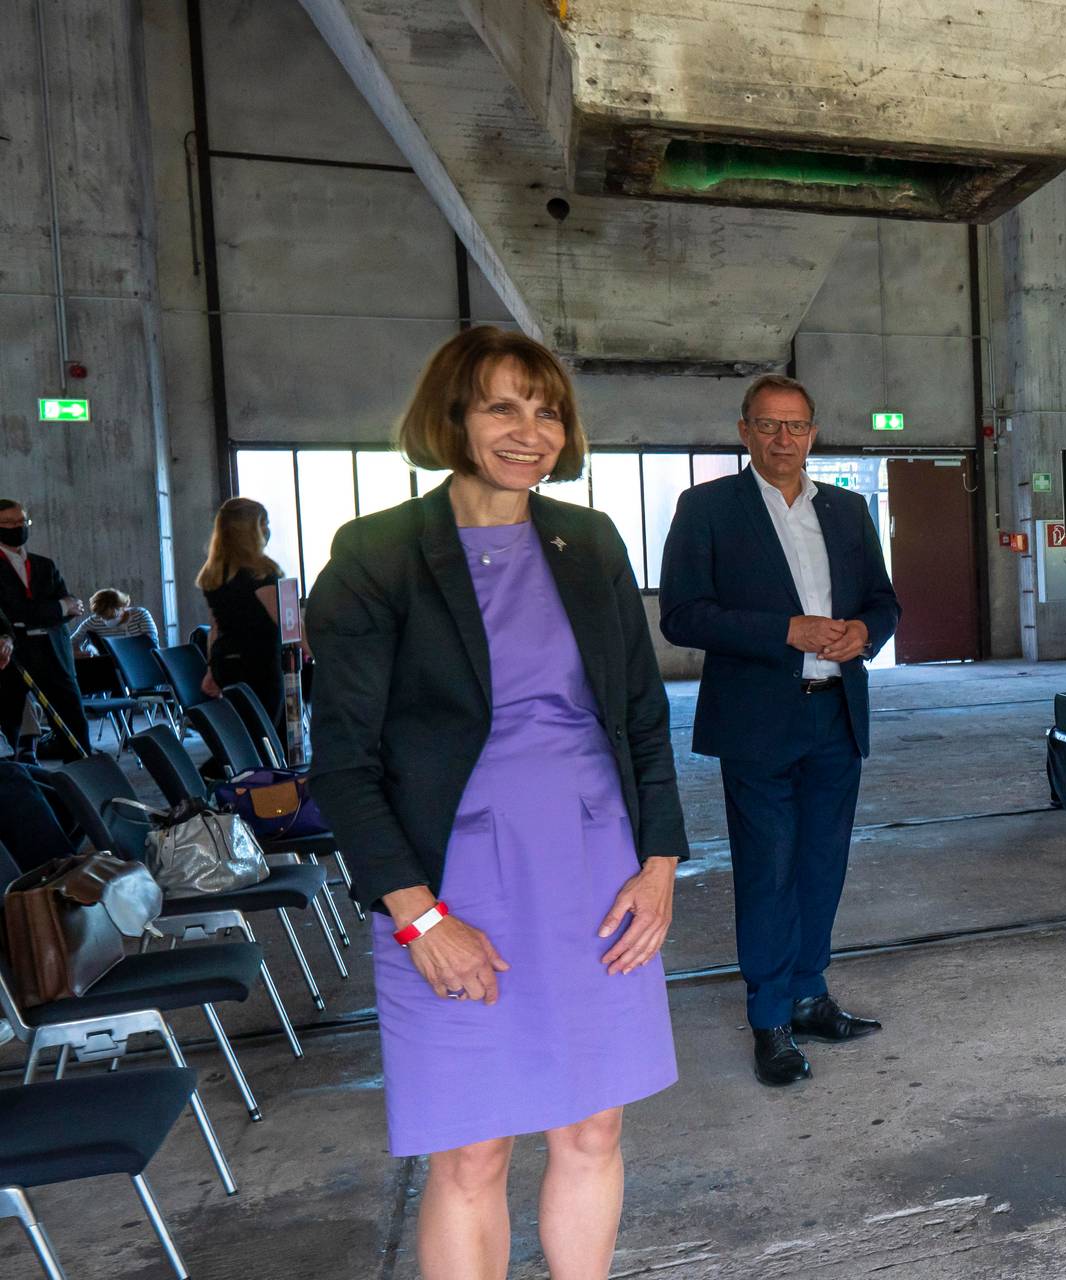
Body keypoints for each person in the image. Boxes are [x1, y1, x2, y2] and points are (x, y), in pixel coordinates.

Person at [304, 325, 683, 1280]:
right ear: (452, 418)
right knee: (474, 1148)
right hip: (453, 884)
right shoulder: (378, 552)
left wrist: (661, 867)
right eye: (502, 407)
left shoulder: (588, 542)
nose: (530, 430)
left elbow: (642, 720)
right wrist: (418, 917)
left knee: (593, 1127)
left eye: (547, 409)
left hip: (598, 872)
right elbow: (343, 762)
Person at [658, 373, 899, 1088]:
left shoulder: (851, 511)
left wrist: (865, 632)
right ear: (744, 432)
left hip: (836, 713)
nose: (783, 439)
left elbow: (884, 603)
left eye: (795, 427)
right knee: (768, 870)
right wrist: (784, 631)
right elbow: (682, 614)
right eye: (768, 426)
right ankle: (769, 1018)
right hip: (759, 719)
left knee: (823, 864)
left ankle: (809, 994)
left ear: (813, 434)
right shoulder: (707, 509)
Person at [0, 499, 88, 760]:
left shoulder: (44, 565)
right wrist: (59, 607)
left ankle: (83, 783)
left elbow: (71, 609)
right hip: (14, 654)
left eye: (22, 522)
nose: (18, 527)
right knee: (9, 723)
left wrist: (57, 609)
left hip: (53, 651)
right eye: (10, 523)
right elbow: (14, 612)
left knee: (73, 720)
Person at [198, 498, 288, 714]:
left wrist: (211, 668)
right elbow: (286, 621)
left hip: (225, 664)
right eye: (263, 523)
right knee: (269, 735)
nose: (267, 529)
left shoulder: (214, 573)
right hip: (259, 665)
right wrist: (317, 653)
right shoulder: (260, 571)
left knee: (246, 734)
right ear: (249, 529)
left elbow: (216, 628)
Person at [72, 589, 159, 656]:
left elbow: (151, 643)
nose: (105, 619)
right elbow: (70, 643)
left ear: (121, 606)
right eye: (101, 615)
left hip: (142, 662)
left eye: (110, 615)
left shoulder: (140, 614)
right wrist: (84, 653)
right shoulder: (93, 621)